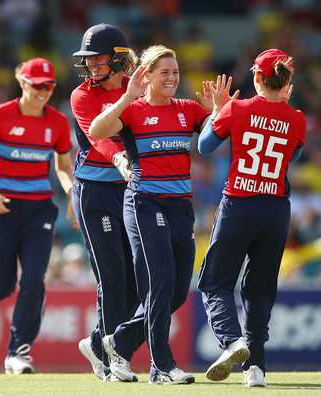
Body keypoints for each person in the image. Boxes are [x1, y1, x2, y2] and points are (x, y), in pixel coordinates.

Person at [89, 45, 235, 384]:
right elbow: (96, 131)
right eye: (164, 72)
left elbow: (212, 139)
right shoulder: (134, 110)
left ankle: (117, 341)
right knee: (160, 283)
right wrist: (126, 97)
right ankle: (162, 366)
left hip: (181, 207)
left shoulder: (187, 109)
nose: (172, 78)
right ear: (147, 75)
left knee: (178, 291)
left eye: (175, 72)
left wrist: (219, 112)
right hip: (144, 203)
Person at [197, 48, 306, 387]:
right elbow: (295, 154)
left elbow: (204, 146)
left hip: (239, 205)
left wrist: (218, 110)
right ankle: (255, 367)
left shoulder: (238, 108)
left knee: (215, 281)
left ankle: (232, 341)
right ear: (287, 82)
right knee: (259, 289)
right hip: (275, 210)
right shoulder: (297, 118)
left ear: (257, 78)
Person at [0, 57, 73, 374]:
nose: (43, 92)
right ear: (22, 83)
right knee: (1, 287)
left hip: (39, 208)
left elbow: (63, 166)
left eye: (49, 86)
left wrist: (72, 192)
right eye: (37, 85)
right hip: (3, 207)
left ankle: (19, 352)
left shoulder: (57, 122)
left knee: (34, 278)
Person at [69, 23, 141, 381]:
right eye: (88, 60)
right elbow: (99, 139)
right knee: (111, 275)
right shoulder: (81, 96)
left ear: (118, 59)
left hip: (128, 190)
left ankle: (99, 344)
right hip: (94, 191)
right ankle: (115, 357)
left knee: (132, 279)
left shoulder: (137, 88)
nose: (92, 66)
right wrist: (120, 159)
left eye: (98, 59)